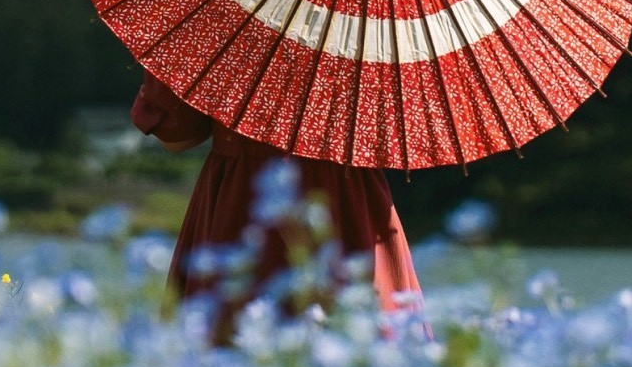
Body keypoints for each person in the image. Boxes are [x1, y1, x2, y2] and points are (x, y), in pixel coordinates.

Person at [131, 74, 419, 338]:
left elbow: (177, 134)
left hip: (249, 197)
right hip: (349, 196)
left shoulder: (230, 17)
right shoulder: (378, 26)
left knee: (234, 356)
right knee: (364, 353)